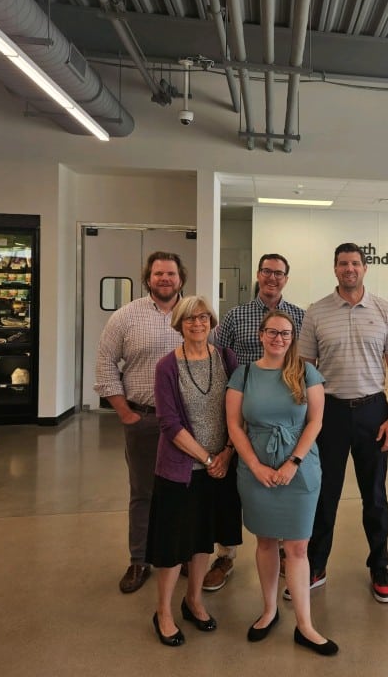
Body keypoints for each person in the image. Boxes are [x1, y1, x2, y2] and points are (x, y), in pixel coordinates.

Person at [296, 242, 388, 603]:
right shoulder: (316, 312)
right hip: (329, 413)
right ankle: (316, 564)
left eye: (355, 263)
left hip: (373, 411)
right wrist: (308, 419)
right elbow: (304, 369)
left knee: (375, 496)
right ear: (335, 268)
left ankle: (380, 566)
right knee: (323, 494)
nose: (350, 269)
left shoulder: (384, 310)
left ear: (365, 268)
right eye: (343, 263)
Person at [226, 311, 337, 656]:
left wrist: (293, 463)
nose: (279, 338)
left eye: (286, 333)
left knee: (298, 547)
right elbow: (234, 426)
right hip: (255, 468)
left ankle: (305, 625)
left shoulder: (306, 372)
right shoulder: (243, 375)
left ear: (293, 338)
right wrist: (255, 466)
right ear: (261, 335)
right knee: (265, 542)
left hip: (299, 469)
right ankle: (269, 610)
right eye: (273, 332)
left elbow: (316, 421)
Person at [206, 252, 305, 592]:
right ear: (258, 275)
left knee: (281, 483)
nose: (272, 277)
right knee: (231, 487)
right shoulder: (236, 316)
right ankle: (226, 555)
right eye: (266, 271)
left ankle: (282, 551)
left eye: (279, 273)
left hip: (281, 415)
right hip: (241, 410)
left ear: (286, 278)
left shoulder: (299, 317)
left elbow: (306, 362)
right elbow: (217, 357)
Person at [144, 296, 238, 646]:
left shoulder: (226, 358)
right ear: (179, 324)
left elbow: (237, 411)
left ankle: (193, 600)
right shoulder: (167, 367)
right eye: (189, 319)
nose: (197, 324)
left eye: (203, 318)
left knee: (203, 538)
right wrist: (208, 459)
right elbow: (169, 424)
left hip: (221, 467)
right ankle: (163, 612)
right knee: (172, 545)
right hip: (181, 469)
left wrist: (226, 454)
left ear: (211, 321)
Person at [95, 250, 187, 594]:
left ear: (181, 278)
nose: (165, 279)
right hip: (144, 419)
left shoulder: (194, 315)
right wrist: (125, 413)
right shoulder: (126, 316)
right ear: (148, 278)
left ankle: (180, 554)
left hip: (187, 423)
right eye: (158, 273)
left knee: (183, 491)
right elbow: (105, 364)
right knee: (143, 493)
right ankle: (139, 559)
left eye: (171, 273)